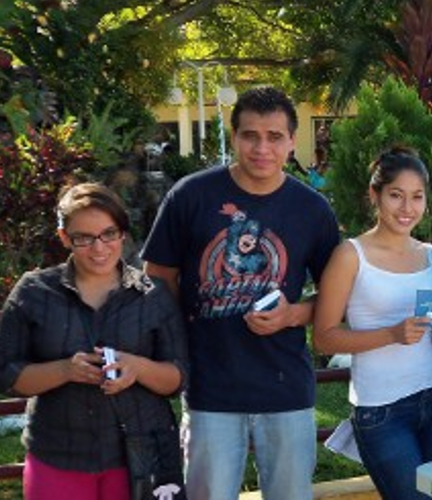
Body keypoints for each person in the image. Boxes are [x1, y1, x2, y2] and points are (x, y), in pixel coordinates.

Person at [141, 87, 341, 500]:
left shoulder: (313, 209)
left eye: (274, 136)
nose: (261, 147)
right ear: (233, 137)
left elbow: (336, 298)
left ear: (291, 141)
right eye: (250, 135)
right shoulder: (190, 196)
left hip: (286, 387)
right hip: (209, 385)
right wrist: (179, 339)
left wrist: (293, 315)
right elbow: (157, 276)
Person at [0, 182, 188, 500]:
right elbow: (4, 374)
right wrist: (65, 371)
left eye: (108, 234)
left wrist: (137, 367)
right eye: (84, 238)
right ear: (64, 238)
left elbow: (178, 377)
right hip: (58, 453)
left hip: (140, 455)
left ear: (123, 233)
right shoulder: (34, 292)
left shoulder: (152, 294)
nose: (99, 248)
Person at [313, 147, 432, 500]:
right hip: (381, 409)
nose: (407, 208)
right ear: (375, 195)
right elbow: (324, 338)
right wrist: (391, 334)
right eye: (396, 195)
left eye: (417, 197)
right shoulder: (350, 255)